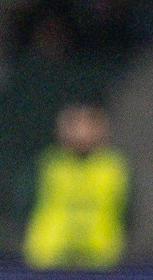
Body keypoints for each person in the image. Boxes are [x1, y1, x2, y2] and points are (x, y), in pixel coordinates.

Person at [24, 103, 131, 269]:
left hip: (100, 260)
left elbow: (128, 211)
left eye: (89, 124)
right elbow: (24, 205)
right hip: (49, 258)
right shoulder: (48, 163)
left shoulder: (114, 167)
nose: (82, 132)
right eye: (75, 124)